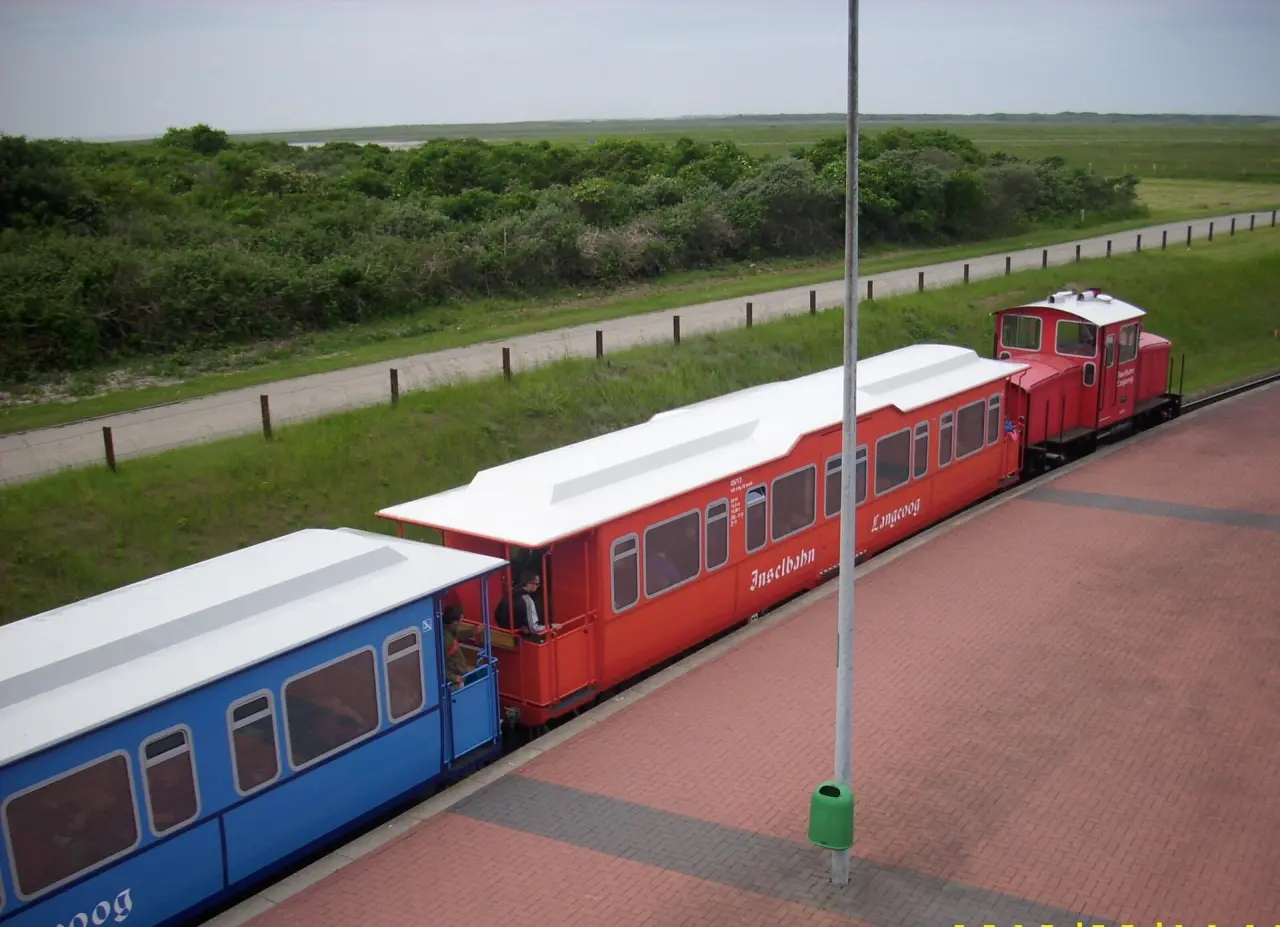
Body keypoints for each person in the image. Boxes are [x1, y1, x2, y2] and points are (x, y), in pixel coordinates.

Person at [494, 570, 559, 637]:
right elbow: (534, 628)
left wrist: (518, 627)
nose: (538, 586)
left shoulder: (509, 594)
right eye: (537, 584)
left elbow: (497, 615)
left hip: (505, 635)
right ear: (530, 584)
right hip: (520, 638)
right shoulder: (527, 600)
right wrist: (552, 626)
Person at [443, 603, 483, 688]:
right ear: (454, 622)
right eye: (461, 620)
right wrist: (453, 677)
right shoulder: (446, 640)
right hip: (456, 680)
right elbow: (437, 665)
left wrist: (473, 631)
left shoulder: (448, 630)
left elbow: (458, 634)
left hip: (462, 673)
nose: (461, 623)